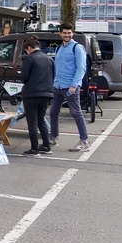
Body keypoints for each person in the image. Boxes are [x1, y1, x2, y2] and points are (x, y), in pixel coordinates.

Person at [49, 23, 90, 151]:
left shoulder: (77, 48)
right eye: (64, 33)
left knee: (76, 113)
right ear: (60, 33)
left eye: (69, 33)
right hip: (57, 86)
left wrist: (74, 85)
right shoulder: (59, 48)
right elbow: (57, 67)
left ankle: (84, 142)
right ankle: (54, 137)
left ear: (73, 33)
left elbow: (81, 68)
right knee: (53, 112)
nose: (67, 35)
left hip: (70, 87)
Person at [19, 36, 54, 156]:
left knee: (32, 122)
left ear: (29, 48)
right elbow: (53, 76)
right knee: (41, 120)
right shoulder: (49, 59)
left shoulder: (29, 58)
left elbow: (24, 77)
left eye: (26, 50)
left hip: (31, 94)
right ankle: (46, 146)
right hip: (46, 94)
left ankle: (34, 148)